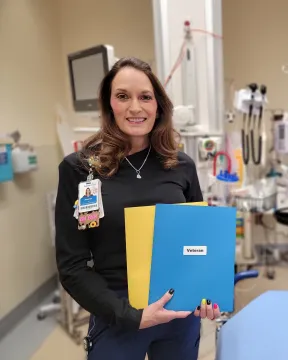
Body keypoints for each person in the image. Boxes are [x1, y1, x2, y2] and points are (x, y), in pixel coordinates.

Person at [55, 57, 221, 360]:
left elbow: (197, 242)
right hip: (116, 311)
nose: (135, 108)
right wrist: (130, 315)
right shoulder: (79, 170)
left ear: (158, 105)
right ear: (109, 105)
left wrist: (207, 289)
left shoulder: (181, 165)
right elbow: (73, 266)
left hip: (178, 309)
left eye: (145, 97)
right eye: (123, 96)